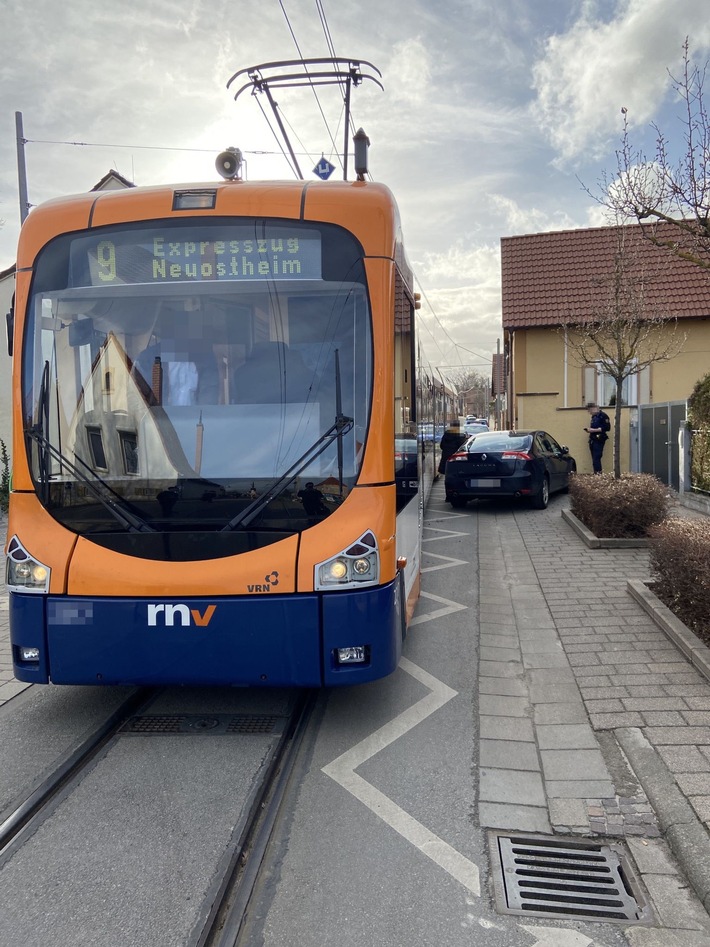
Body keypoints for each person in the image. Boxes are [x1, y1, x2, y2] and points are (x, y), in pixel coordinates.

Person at [584, 403, 609, 473]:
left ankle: (598, 474)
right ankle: (596, 473)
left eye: (589, 410)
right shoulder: (594, 417)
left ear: (594, 408)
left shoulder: (603, 416)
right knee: (594, 459)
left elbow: (607, 428)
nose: (589, 412)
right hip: (593, 439)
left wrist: (593, 430)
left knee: (596, 458)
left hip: (599, 439)